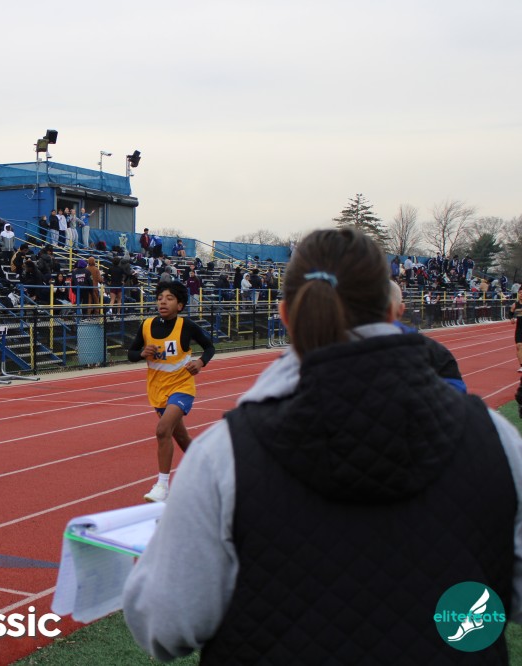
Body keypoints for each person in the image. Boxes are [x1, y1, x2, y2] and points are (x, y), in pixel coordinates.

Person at [124, 227, 522, 663]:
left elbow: (165, 626)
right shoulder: (494, 438)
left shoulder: (224, 455)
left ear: (285, 314)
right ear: (394, 309)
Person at [127, 281, 215, 502]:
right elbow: (130, 353)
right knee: (181, 437)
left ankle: (162, 486)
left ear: (180, 305)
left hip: (182, 386)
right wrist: (141, 353)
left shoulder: (186, 326)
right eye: (160, 298)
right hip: (158, 390)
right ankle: (210, 471)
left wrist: (200, 362)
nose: (163, 302)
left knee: (162, 430)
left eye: (169, 298)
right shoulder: (147, 325)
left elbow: (209, 347)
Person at [511, 289, 522, 372]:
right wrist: (512, 319)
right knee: (519, 346)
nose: (521, 294)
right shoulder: (515, 305)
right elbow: (510, 314)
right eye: (520, 293)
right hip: (519, 328)